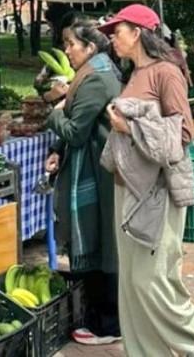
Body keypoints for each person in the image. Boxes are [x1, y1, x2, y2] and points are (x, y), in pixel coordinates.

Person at [98, 4, 194, 356]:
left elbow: (183, 132)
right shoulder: (134, 74)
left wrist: (129, 126)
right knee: (131, 284)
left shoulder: (166, 72)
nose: (112, 40)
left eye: (116, 32)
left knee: (151, 280)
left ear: (137, 32)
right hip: (127, 186)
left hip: (157, 191)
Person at [43, 20, 122, 340]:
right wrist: (57, 149)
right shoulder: (94, 74)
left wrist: (55, 109)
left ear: (90, 48)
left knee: (98, 243)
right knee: (99, 241)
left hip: (94, 173)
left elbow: (76, 130)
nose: (66, 50)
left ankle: (106, 323)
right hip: (91, 167)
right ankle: (101, 318)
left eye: (71, 44)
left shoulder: (95, 80)